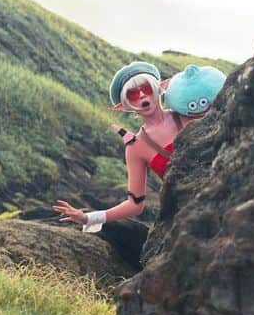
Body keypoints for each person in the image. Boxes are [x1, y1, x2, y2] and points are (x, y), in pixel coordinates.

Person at [52, 61, 224, 232]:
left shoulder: (188, 114)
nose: (142, 96)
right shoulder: (135, 148)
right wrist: (88, 218)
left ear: (160, 87)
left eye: (146, 88)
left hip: (224, 186)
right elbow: (135, 204)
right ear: (123, 106)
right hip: (191, 209)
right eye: (133, 94)